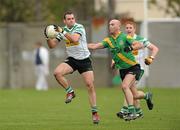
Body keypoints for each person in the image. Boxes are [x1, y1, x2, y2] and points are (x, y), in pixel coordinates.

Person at [88, 19, 154, 121]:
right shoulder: (108, 41)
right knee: (135, 95)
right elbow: (94, 46)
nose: (110, 26)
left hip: (133, 67)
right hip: (123, 70)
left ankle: (131, 112)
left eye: (112, 24)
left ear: (118, 26)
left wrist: (131, 48)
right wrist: (81, 44)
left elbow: (140, 44)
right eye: (109, 24)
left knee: (124, 86)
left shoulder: (125, 37)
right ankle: (146, 96)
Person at [45, 11, 100, 124]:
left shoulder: (79, 27)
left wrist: (62, 31)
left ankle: (94, 113)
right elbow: (52, 46)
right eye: (69, 19)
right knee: (57, 73)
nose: (71, 20)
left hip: (85, 60)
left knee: (90, 85)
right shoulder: (62, 31)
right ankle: (70, 92)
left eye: (72, 18)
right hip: (72, 60)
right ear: (64, 21)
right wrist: (48, 37)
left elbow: (74, 39)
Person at [116, 18, 159, 119]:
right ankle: (144, 101)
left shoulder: (140, 40)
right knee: (134, 93)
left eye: (131, 27)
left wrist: (151, 58)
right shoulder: (123, 40)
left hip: (138, 69)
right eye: (126, 28)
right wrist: (114, 61)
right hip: (126, 68)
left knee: (127, 86)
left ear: (135, 29)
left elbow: (155, 48)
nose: (128, 29)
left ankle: (124, 110)